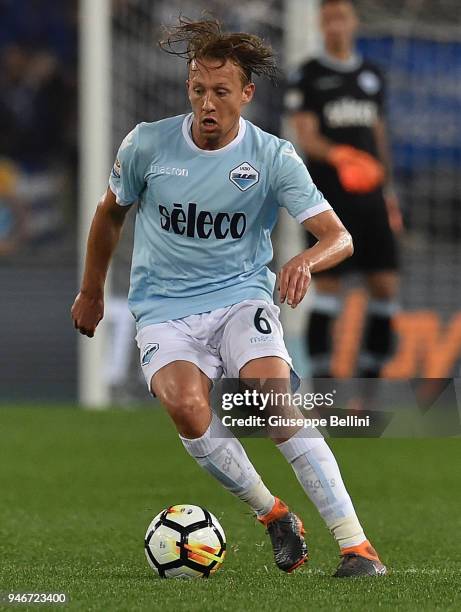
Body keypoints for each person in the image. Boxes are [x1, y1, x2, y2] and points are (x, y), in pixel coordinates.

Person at [71, 17, 386, 577]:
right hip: (164, 307)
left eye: (221, 92)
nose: (208, 104)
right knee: (188, 408)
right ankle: (273, 514)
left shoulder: (272, 157)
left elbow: (338, 237)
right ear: (188, 89)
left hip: (241, 296)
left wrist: (304, 259)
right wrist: (92, 291)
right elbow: (108, 215)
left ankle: (356, 546)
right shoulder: (147, 144)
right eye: (198, 90)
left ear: (247, 94)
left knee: (269, 399)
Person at [285, 0, 402, 382]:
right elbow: (306, 136)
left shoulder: (372, 75)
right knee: (328, 290)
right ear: (321, 23)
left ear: (353, 22)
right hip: (328, 200)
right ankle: (324, 386)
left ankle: (370, 383)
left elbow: (379, 134)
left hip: (372, 200)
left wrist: (388, 189)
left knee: (385, 286)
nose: (336, 25)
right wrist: (344, 156)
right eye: (329, 18)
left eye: (342, 17)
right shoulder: (308, 76)